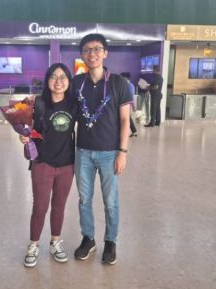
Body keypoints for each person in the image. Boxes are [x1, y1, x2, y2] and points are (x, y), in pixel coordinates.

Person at [73, 33, 132, 265]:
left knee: (111, 201)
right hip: (83, 152)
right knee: (84, 199)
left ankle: (110, 241)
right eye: (87, 50)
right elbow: (66, 115)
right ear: (82, 55)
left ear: (105, 53)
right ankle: (88, 238)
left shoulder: (119, 83)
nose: (92, 54)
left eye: (97, 49)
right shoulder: (77, 83)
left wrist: (122, 153)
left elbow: (126, 121)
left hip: (109, 153)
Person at [19, 63, 77, 267]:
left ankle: (55, 242)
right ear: (47, 80)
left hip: (67, 164)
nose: (58, 81)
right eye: (53, 77)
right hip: (42, 162)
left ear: (69, 81)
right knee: (40, 207)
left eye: (63, 77)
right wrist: (24, 137)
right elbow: (26, 129)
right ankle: (33, 244)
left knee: (59, 206)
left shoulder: (74, 104)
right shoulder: (38, 103)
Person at [120, 72, 137, 137]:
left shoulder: (130, 85)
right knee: (128, 118)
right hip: (124, 104)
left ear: (125, 78)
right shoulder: (125, 84)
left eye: (122, 77)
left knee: (127, 118)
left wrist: (133, 106)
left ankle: (133, 131)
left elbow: (131, 96)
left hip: (126, 105)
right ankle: (134, 131)